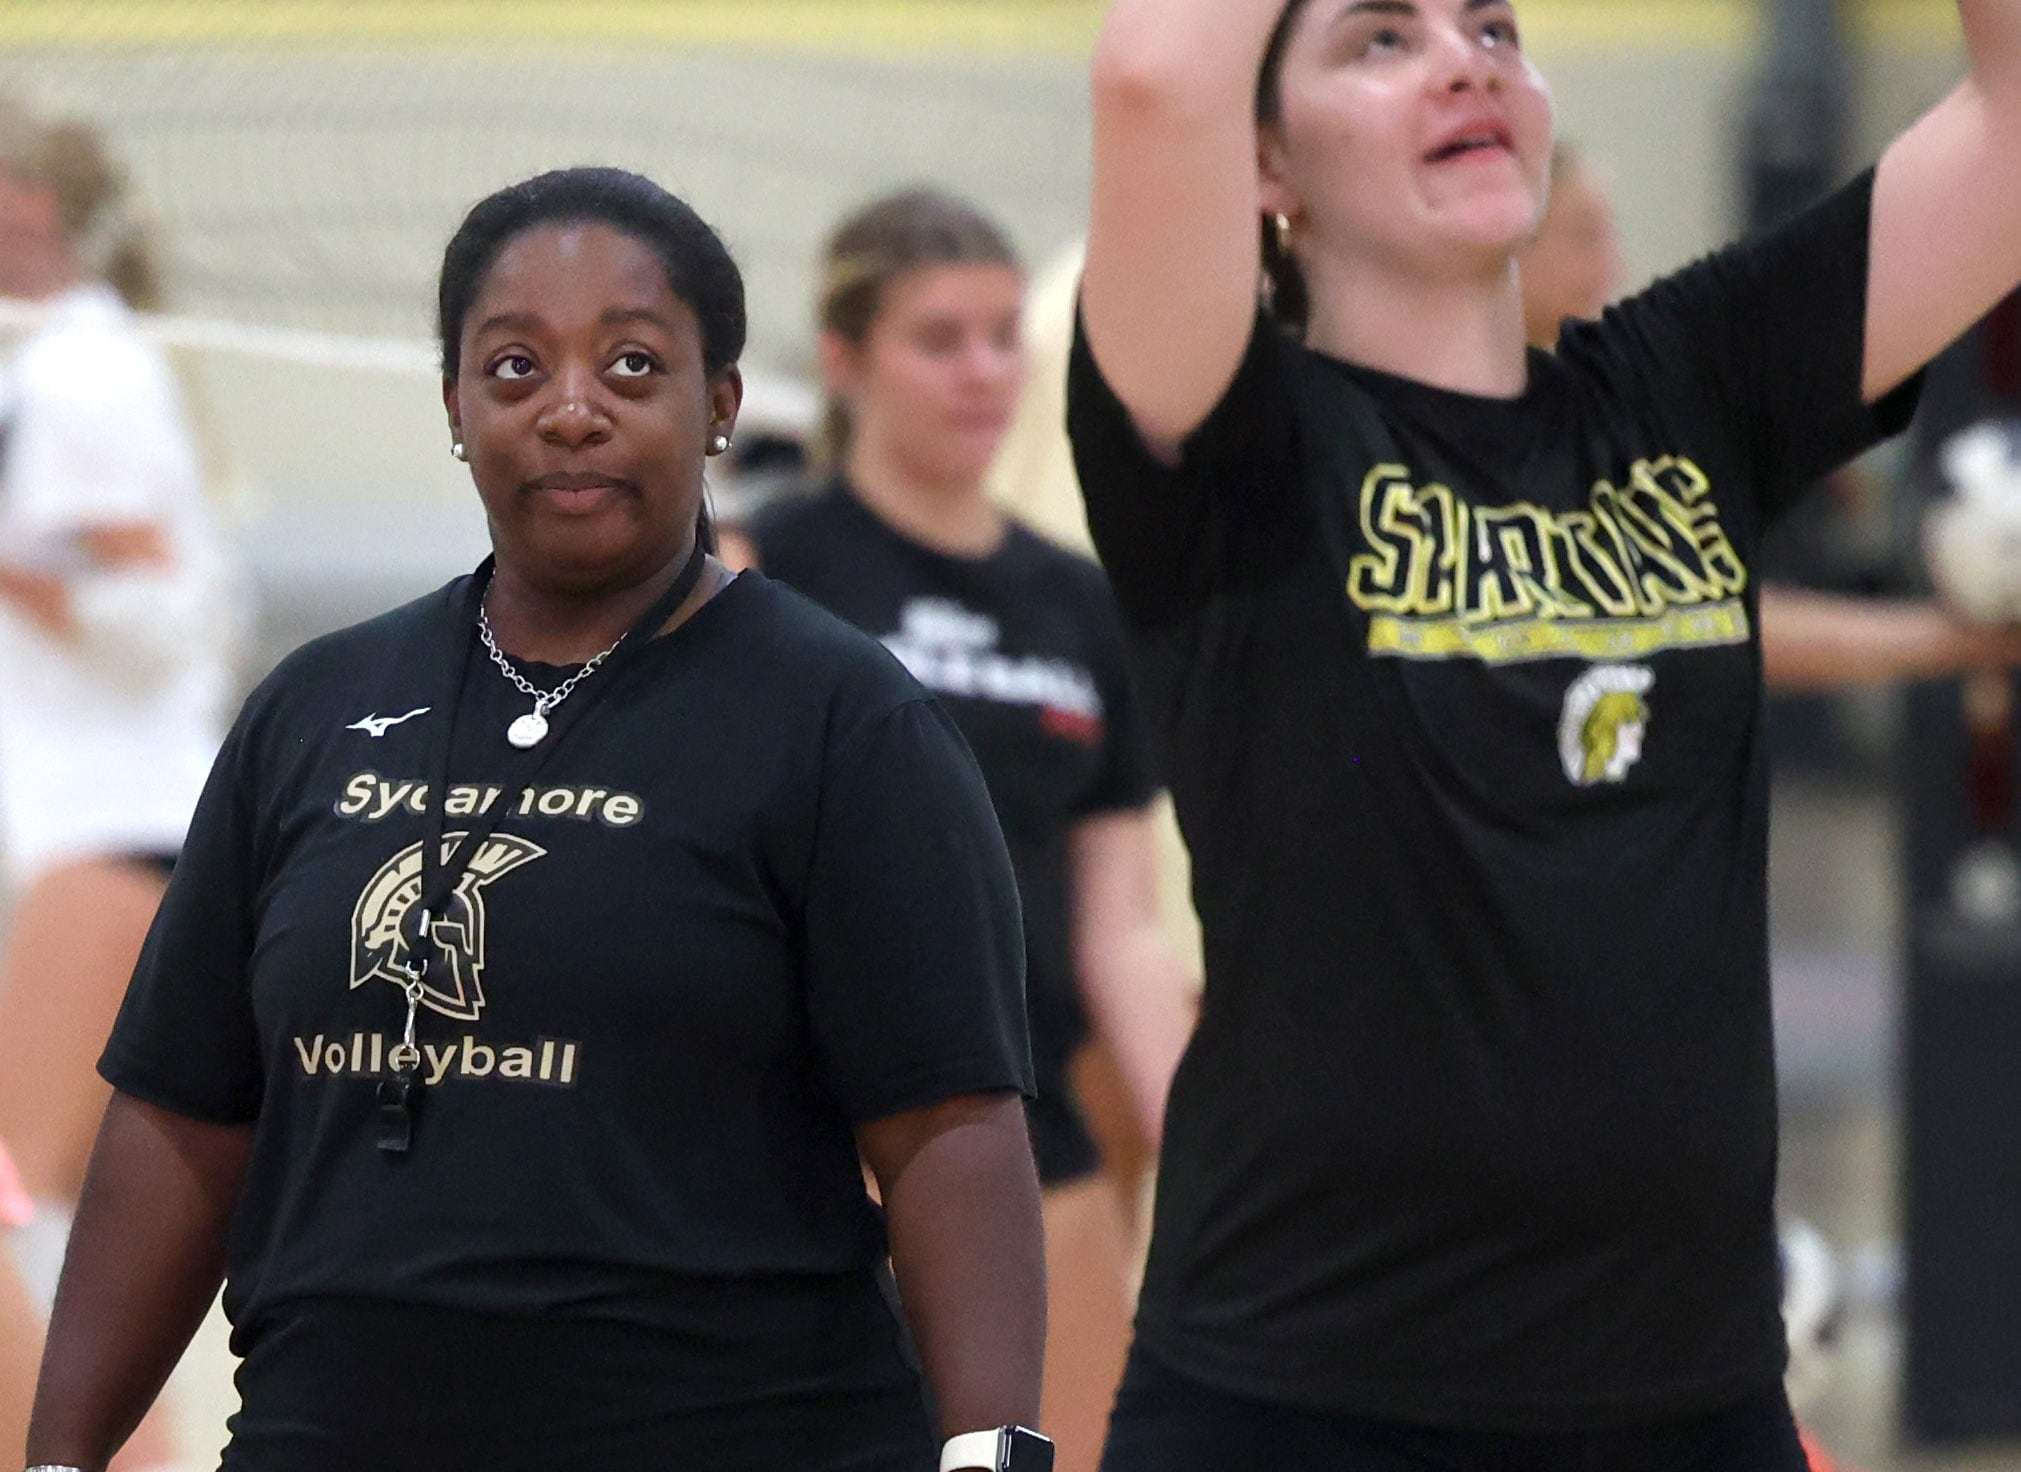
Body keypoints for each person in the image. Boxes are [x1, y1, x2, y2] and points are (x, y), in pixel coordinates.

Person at [1069, 0, 2021, 1466]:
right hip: (1305, 1407)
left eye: (1495, 26)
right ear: (1263, 160)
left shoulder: (1685, 385)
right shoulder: (1234, 439)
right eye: (1381, 39)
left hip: (1690, 1403)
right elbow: (1149, 71)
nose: (1467, 59)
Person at [26, 166, 1048, 1472]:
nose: (572, 411)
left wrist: (988, 1453)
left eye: (631, 366)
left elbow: (946, 1124)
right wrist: (57, 1459)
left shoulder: (843, 719)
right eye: (515, 370)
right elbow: (183, 1111)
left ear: (719, 402)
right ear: (456, 407)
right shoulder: (313, 711)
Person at [737, 189, 1197, 1472]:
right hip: (799, 1157)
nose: (986, 371)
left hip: (1021, 1140)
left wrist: (1215, 1156)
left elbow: (1120, 934)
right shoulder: (768, 566)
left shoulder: (1078, 604)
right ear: (845, 360)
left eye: (1005, 335)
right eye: (939, 339)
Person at [0, 97, 240, 1472]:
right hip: (127, 835)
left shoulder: (83, 367)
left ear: (30, 206)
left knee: (24, 1211)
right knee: (73, 1229)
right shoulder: (71, 357)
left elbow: (156, 608)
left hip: (121, 839)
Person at [1523, 144, 2021, 690]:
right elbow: (1710, 623)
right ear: (1511, 244)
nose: (1611, 267)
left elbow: (1705, 613)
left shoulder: (1605, 412)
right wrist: (1942, 641)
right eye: (1584, 235)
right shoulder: (1482, 437)